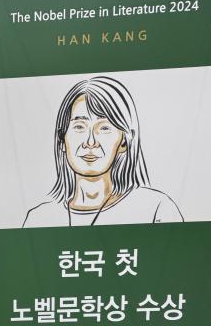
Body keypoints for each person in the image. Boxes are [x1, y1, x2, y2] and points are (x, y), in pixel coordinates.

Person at [23, 76, 183, 228]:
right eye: (79, 127)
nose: (90, 142)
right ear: (62, 139)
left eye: (104, 128)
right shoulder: (38, 219)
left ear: (124, 141)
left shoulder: (156, 208)